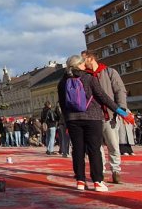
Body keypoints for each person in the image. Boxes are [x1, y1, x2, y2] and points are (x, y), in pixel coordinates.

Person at [56, 55, 132, 192]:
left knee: (77, 150)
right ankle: (97, 182)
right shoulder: (89, 78)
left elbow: (62, 104)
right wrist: (121, 111)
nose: (85, 65)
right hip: (93, 118)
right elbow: (103, 97)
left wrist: (67, 121)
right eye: (83, 63)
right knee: (94, 150)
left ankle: (80, 181)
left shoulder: (62, 82)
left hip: (73, 119)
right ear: (79, 65)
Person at [82, 50, 127, 184]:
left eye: (83, 59)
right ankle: (100, 171)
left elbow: (119, 90)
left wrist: (121, 108)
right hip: (92, 116)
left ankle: (115, 171)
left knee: (113, 144)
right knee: (96, 146)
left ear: (90, 59)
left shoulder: (109, 72)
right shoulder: (85, 76)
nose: (82, 62)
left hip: (109, 114)